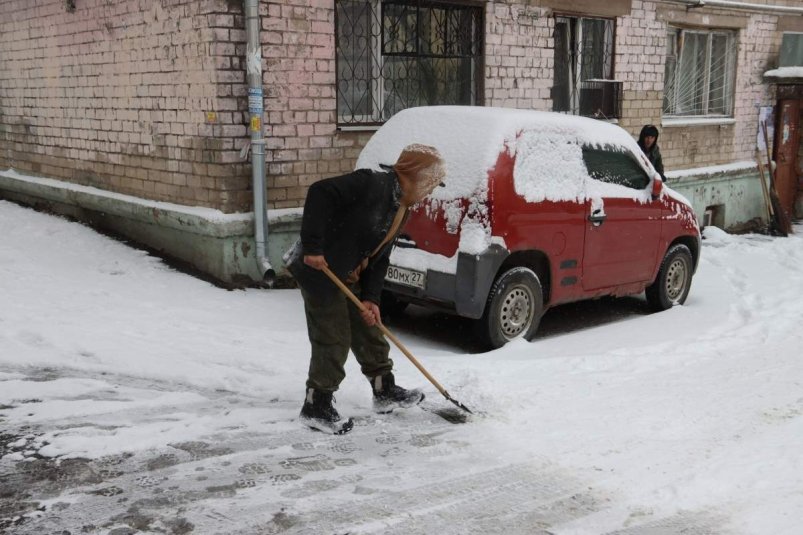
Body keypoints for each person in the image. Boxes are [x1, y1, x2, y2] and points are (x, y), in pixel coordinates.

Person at [284, 144, 447, 434]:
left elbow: (380, 255)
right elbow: (319, 192)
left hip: (348, 271)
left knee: (370, 328)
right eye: (430, 184)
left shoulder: (402, 208)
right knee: (333, 337)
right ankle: (316, 404)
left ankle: (384, 390)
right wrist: (313, 246)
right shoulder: (371, 183)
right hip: (320, 269)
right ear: (413, 175)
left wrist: (372, 298)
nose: (430, 192)